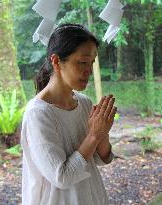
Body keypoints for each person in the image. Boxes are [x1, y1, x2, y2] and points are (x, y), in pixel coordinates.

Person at [21, 23, 117, 205]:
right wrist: (94, 134)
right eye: (82, 62)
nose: (88, 70)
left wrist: (102, 132)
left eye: (92, 62)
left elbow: (100, 159)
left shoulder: (85, 103)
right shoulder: (38, 114)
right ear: (56, 61)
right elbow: (62, 177)